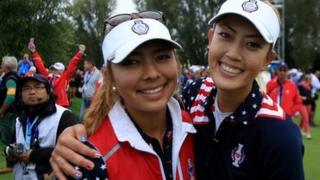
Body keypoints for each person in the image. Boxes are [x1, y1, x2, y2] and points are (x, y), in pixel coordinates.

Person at [50, 1, 305, 179]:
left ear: (267, 59)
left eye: (252, 44)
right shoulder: (193, 98)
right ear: (210, 38)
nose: (234, 53)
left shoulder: (279, 136)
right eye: (226, 35)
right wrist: (76, 133)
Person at [50, 12, 196, 179]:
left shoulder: (194, 125)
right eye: (131, 62)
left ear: (176, 63)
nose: (152, 73)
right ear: (110, 76)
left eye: (162, 57)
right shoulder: (90, 157)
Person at [3, 73, 80, 179]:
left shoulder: (64, 117)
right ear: (21, 94)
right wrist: (10, 154)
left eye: (38, 87)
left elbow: (74, 150)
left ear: (48, 91)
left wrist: (33, 155)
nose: (32, 92)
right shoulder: (20, 119)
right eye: (26, 88)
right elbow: (12, 145)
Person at [28, 40, 86, 107]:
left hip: (61, 104)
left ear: (61, 71)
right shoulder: (48, 76)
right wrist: (34, 52)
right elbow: (40, 65)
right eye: (53, 69)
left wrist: (80, 53)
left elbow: (72, 65)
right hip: (49, 103)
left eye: (55, 69)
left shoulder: (64, 77)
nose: (53, 70)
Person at [0, 56, 19, 174]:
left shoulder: (10, 79)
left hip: (9, 114)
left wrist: (1, 111)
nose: (1, 65)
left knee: (9, 139)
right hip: (9, 113)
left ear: (6, 66)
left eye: (2, 63)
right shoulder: (8, 77)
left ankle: (10, 165)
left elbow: (11, 97)